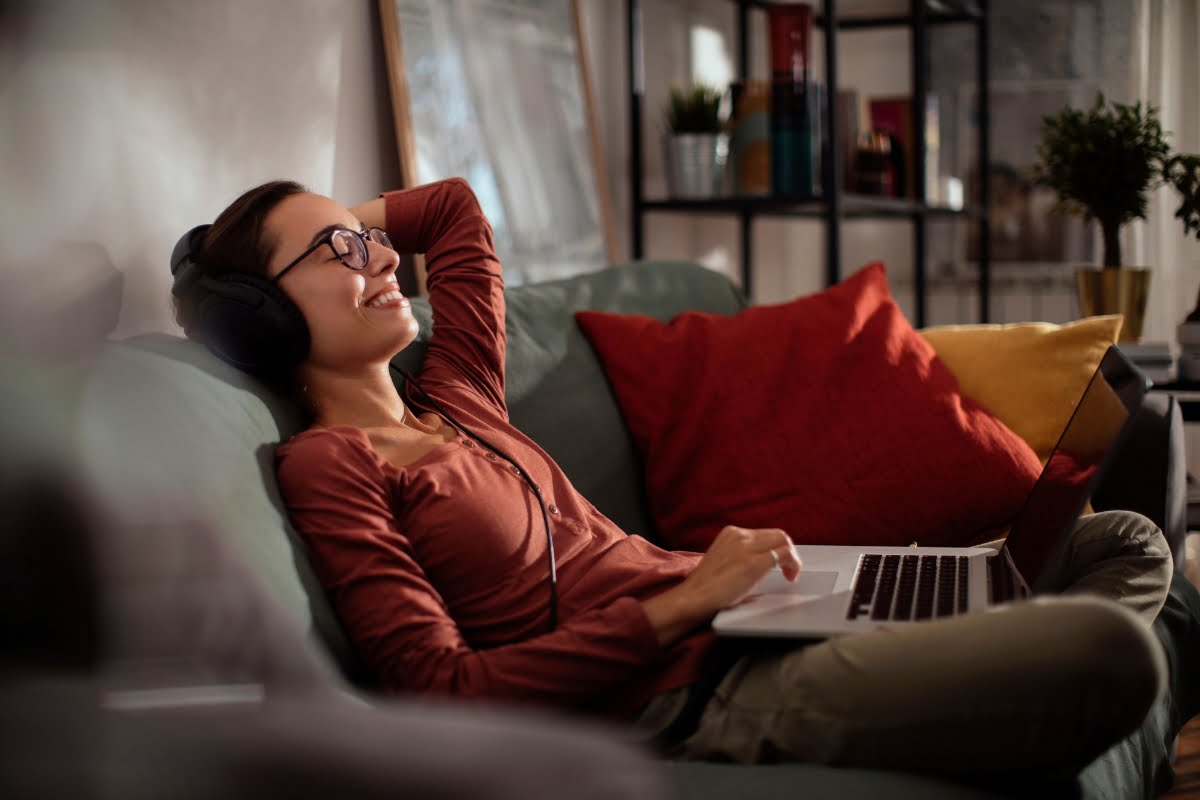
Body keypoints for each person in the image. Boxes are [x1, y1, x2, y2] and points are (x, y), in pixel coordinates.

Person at [172, 177, 1172, 780]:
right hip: (687, 699)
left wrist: (350, 232)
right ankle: (1009, 695)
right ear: (264, 312)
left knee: (1123, 539)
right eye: (341, 249)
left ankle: (991, 688)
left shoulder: (460, 395)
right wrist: (682, 599)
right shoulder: (329, 465)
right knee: (1108, 649)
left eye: (372, 238)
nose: (382, 256)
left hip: (755, 616)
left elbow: (456, 215)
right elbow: (438, 687)